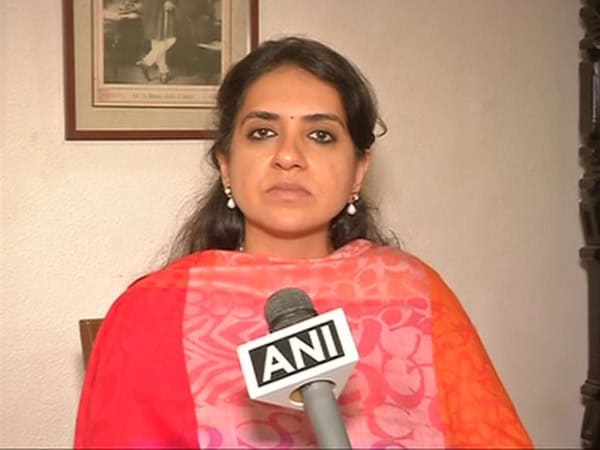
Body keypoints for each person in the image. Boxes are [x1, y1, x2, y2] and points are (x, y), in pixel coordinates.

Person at [74, 36, 533, 448]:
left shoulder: (416, 294)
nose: (289, 156)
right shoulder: (153, 310)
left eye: (320, 135)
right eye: (263, 132)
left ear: (358, 170)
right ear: (227, 165)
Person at [135, 0, 178, 84]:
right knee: (160, 40)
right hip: (152, 8)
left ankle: (148, 63)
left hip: (159, 8)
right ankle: (162, 73)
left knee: (162, 41)